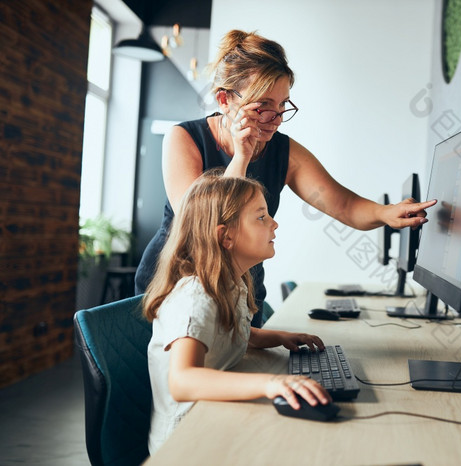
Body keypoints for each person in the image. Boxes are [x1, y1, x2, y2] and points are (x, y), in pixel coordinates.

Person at [135, 29, 437, 328]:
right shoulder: (185, 138)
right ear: (225, 100)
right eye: (263, 106)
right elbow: (201, 226)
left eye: (282, 106)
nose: (275, 119)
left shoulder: (283, 151)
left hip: (241, 291)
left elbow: (343, 205)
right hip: (179, 288)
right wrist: (241, 157)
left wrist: (387, 214)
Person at [143, 172, 330, 455]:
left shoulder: (229, 284)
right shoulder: (196, 297)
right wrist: (271, 383)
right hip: (185, 441)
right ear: (226, 235)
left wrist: (277, 336)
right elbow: (183, 381)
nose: (274, 223)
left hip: (212, 416)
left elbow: (225, 333)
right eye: (261, 217)